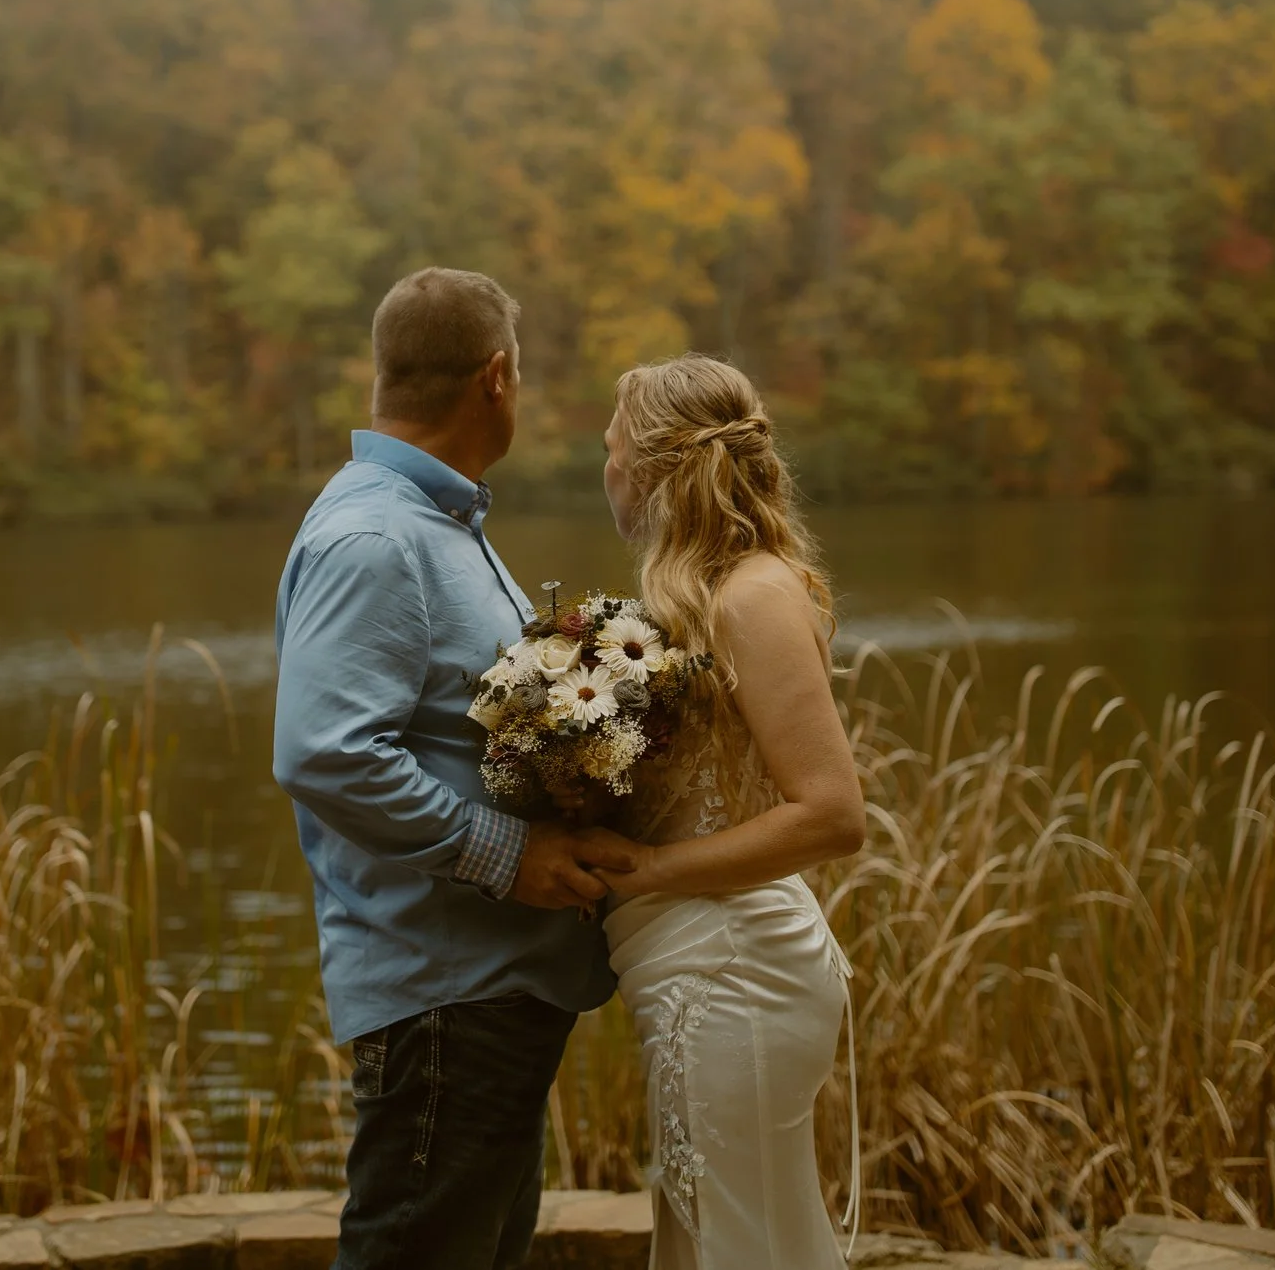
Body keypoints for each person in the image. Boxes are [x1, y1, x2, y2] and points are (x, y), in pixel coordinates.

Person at [273, 267, 632, 1270]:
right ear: (496, 376)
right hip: (444, 997)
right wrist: (509, 853)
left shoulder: (437, 525)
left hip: (487, 991)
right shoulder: (376, 537)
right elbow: (325, 750)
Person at [587, 353, 867, 1270]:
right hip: (698, 964)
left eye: (612, 448)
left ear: (653, 468)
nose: (605, 469)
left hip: (740, 970)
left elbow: (833, 814)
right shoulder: (702, 599)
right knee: (717, 1238)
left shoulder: (752, 594)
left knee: (742, 1246)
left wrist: (653, 870)